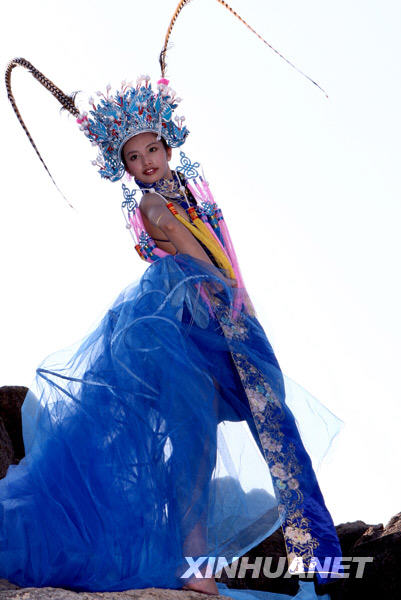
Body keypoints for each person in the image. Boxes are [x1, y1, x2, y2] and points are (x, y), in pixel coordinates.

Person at [2, 4, 342, 599]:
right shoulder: (153, 205)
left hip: (216, 317)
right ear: (123, 166)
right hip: (192, 319)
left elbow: (221, 251)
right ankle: (228, 562)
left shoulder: (187, 189)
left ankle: (293, 559)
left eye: (150, 149)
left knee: (236, 431)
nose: (144, 163)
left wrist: (243, 301)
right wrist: (227, 292)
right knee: (212, 433)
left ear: (166, 141)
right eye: (131, 158)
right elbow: (187, 248)